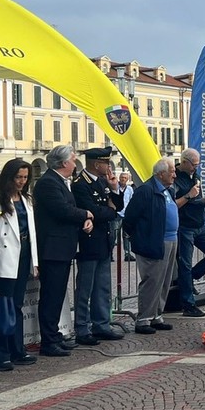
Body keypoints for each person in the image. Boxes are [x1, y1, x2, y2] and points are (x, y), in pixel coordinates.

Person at [33, 145, 93, 357]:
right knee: (51, 295)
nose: (75, 164)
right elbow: (61, 210)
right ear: (64, 162)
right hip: (53, 248)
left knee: (57, 295)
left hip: (62, 247)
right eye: (73, 160)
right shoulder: (48, 183)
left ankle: (54, 336)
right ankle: (49, 340)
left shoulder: (59, 182)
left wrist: (84, 220)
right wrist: (85, 214)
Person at [0, 158, 39, 372]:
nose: (22, 181)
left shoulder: (26, 199)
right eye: (18, 177)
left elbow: (31, 231)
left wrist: (35, 261)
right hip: (5, 257)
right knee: (3, 307)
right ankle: (1, 354)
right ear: (9, 177)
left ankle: (18, 349)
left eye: (25, 177)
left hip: (23, 255)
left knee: (17, 305)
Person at [72, 147, 125, 344]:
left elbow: (118, 206)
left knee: (102, 287)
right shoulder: (81, 184)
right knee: (85, 288)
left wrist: (114, 189)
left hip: (103, 240)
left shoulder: (103, 182)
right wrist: (110, 211)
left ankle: (101, 324)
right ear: (96, 164)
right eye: (106, 163)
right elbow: (93, 211)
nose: (108, 166)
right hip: (89, 241)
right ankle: (82, 328)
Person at [124, 158, 179, 334]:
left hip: (171, 239)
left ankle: (156, 315)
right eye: (172, 171)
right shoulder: (146, 191)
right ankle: (143, 319)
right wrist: (141, 237)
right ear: (161, 174)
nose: (174, 175)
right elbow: (130, 218)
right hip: (154, 241)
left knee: (164, 280)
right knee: (152, 280)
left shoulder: (168, 191)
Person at [173, 149, 205, 318]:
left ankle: (187, 279)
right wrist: (190, 195)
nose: (196, 167)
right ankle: (188, 304)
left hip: (200, 225)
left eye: (198, 164)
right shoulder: (175, 178)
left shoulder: (195, 175)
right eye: (194, 164)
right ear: (184, 162)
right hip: (185, 227)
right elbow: (174, 204)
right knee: (185, 264)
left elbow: (196, 200)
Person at [117, 171, 135, 261]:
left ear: (127, 179)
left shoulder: (129, 189)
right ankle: (110, 254)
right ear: (119, 178)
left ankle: (127, 253)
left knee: (126, 235)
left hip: (126, 214)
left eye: (125, 178)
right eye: (122, 177)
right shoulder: (116, 187)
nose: (123, 179)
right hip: (117, 214)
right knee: (114, 234)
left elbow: (132, 200)